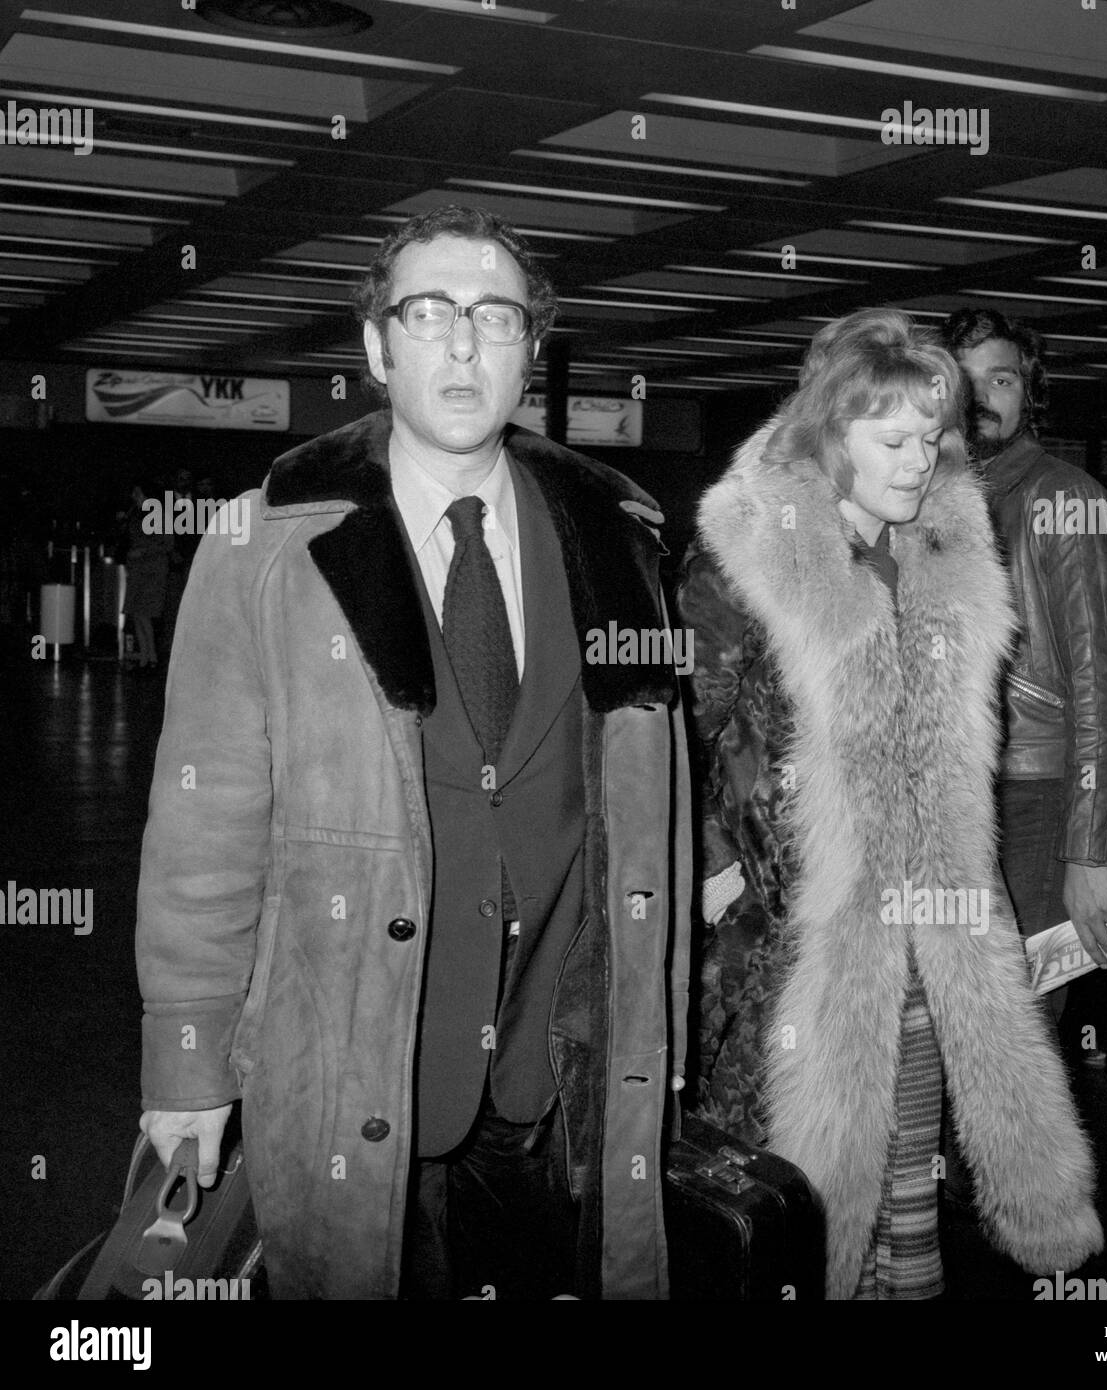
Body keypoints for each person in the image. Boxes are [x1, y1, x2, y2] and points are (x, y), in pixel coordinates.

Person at [134, 205, 692, 1300]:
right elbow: (203, 821)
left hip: (556, 1064)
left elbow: (653, 823)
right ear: (377, 348)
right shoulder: (269, 545)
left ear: (531, 350)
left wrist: (654, 1038)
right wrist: (189, 1059)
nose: (462, 343)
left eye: (496, 316)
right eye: (427, 313)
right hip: (353, 1054)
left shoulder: (618, 540)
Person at [678, 309, 1102, 1300]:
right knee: (801, 1206)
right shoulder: (746, 564)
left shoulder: (944, 560)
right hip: (792, 944)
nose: (921, 461)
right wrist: (712, 864)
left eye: (931, 435)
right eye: (893, 439)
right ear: (831, 435)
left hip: (930, 928)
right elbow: (676, 738)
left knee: (904, 1187)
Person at [943, 309, 1107, 1015]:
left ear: (1029, 393)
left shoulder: (1068, 498)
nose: (983, 398)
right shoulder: (928, 499)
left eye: (1001, 379)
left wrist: (1091, 853)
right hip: (955, 789)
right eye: (964, 382)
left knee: (1019, 1027)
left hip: (1037, 792)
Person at [120, 481, 172, 671]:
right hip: (137, 570)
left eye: (138, 492)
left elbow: (167, 544)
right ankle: (145, 656)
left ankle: (151, 657)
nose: (134, 496)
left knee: (146, 614)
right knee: (137, 614)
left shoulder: (159, 515)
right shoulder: (134, 514)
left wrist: (142, 552)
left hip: (152, 570)